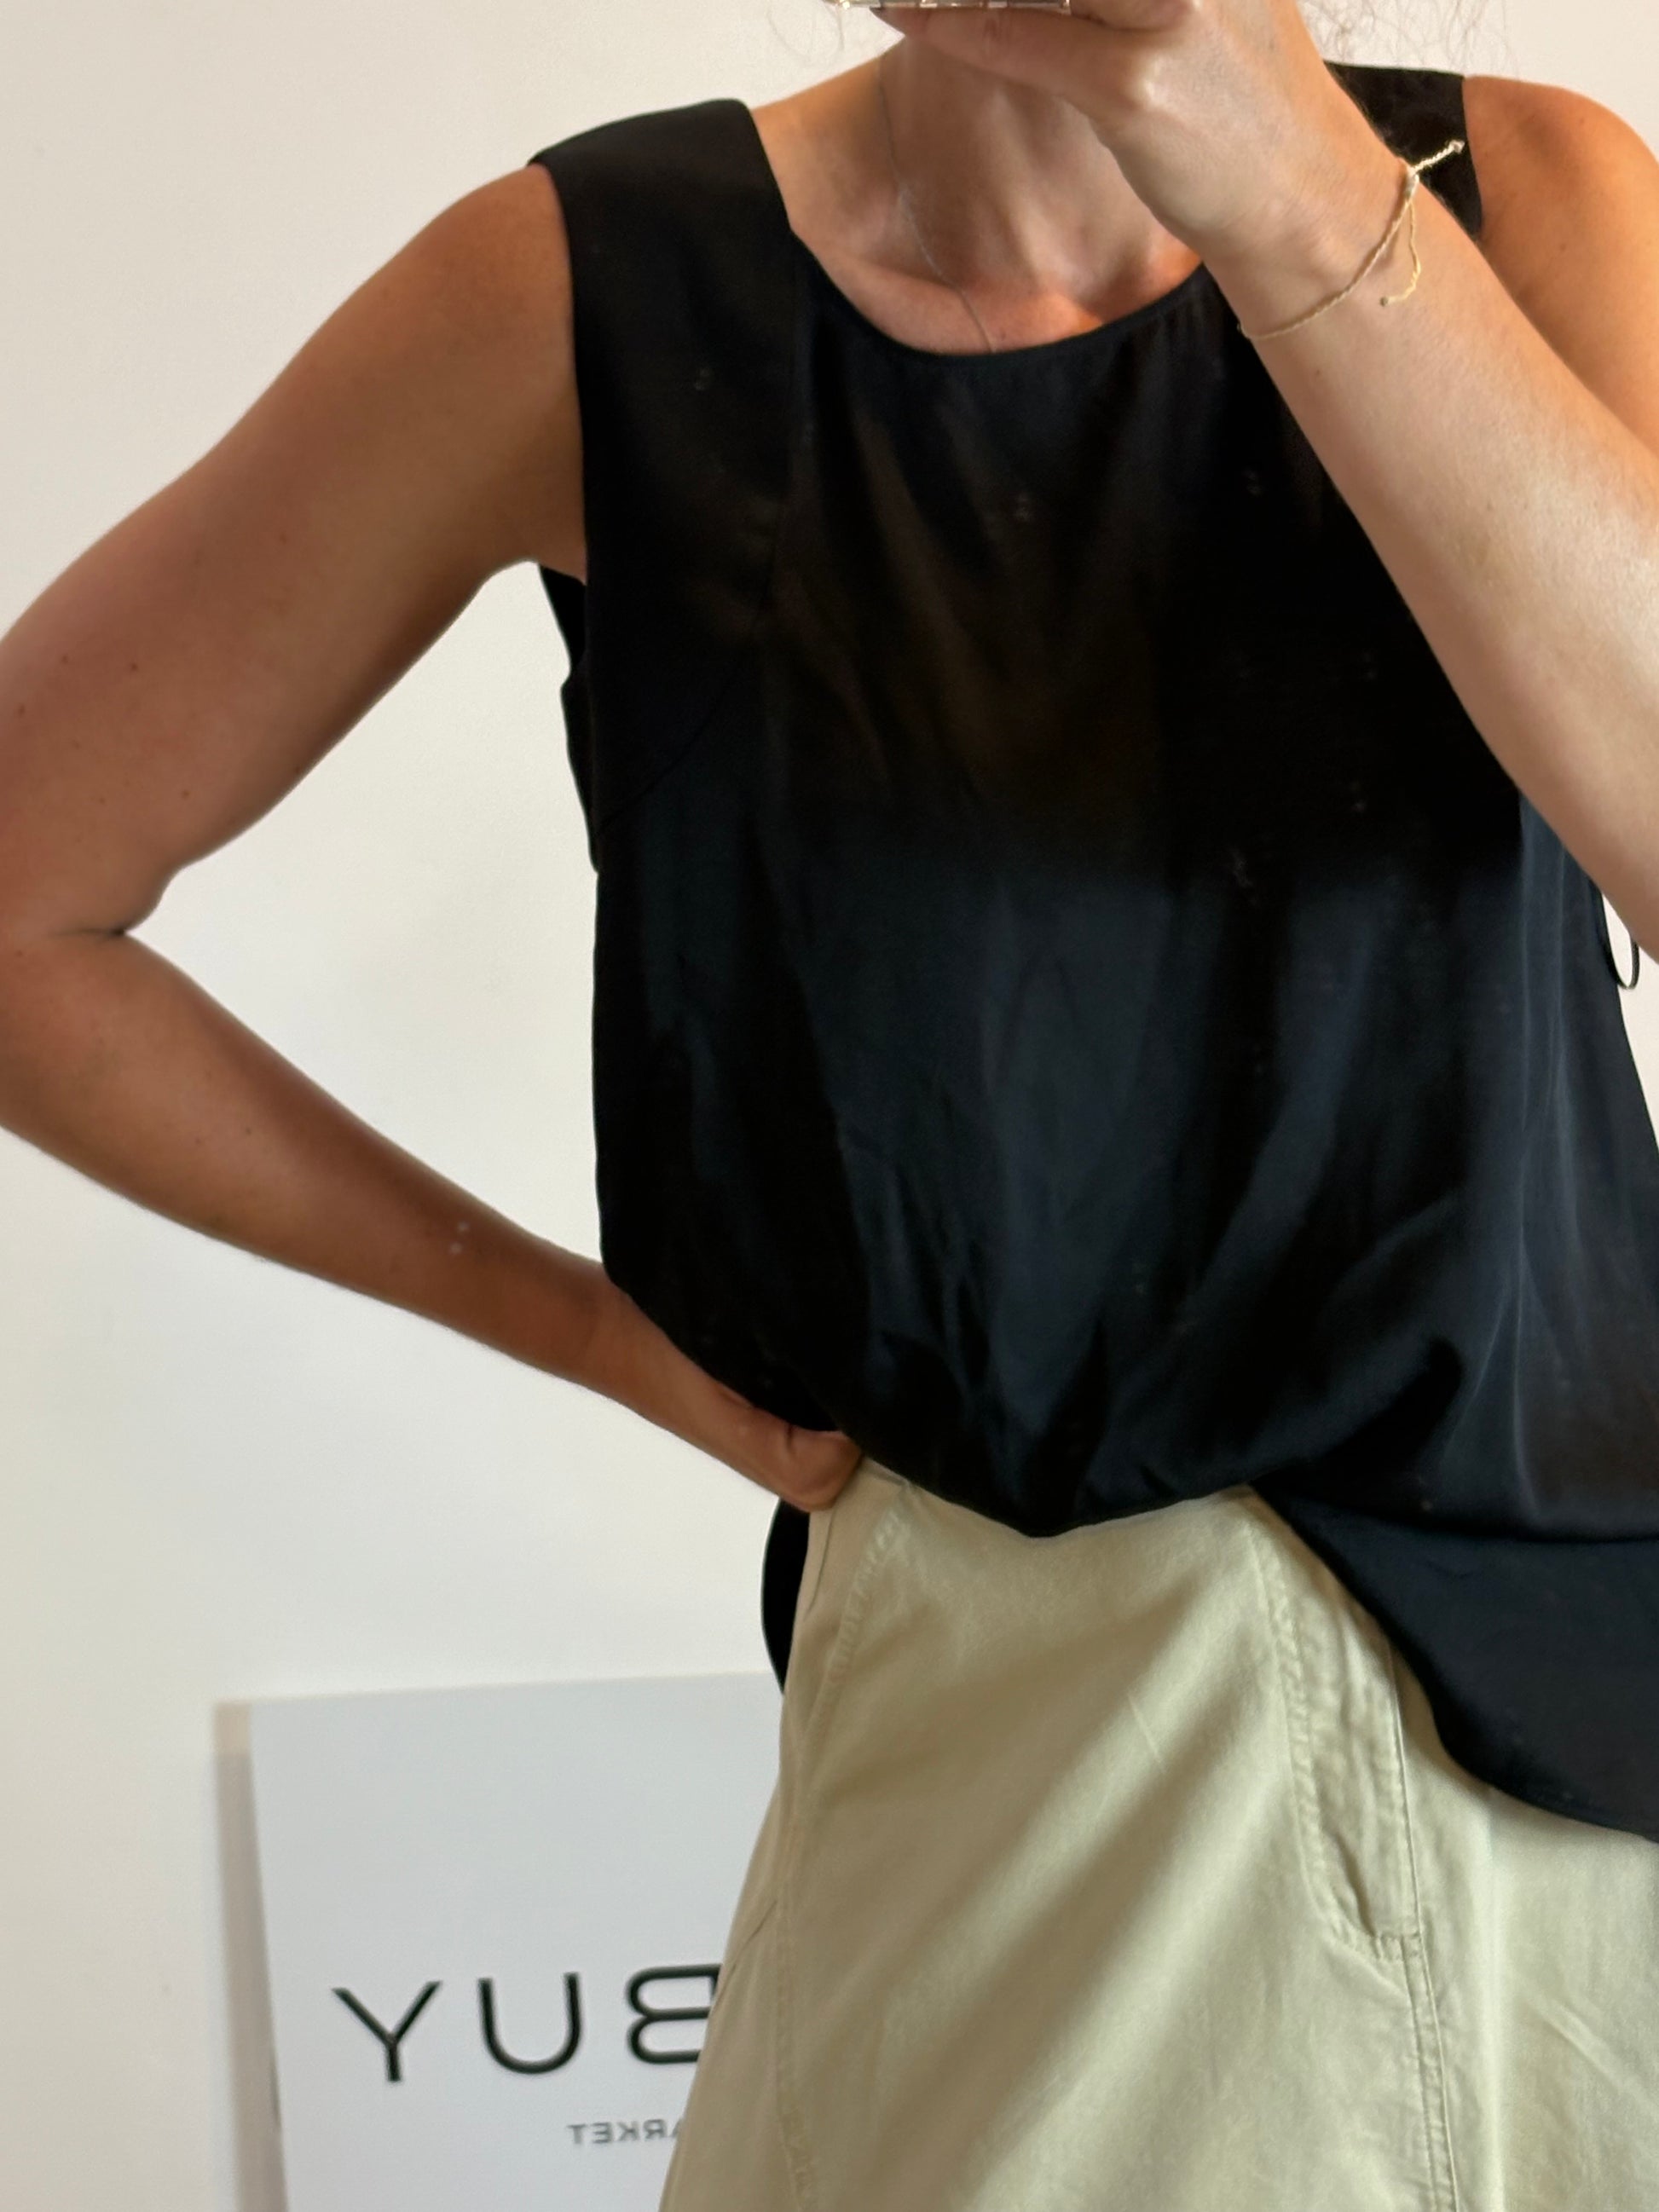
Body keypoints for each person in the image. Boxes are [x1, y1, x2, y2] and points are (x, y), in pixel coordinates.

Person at [4, 0, 1659, 2203]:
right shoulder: (594, 296)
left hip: (1586, 1791)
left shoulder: (1525, 204)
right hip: (1024, 1811)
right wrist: (591, 1328)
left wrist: (1278, 176)